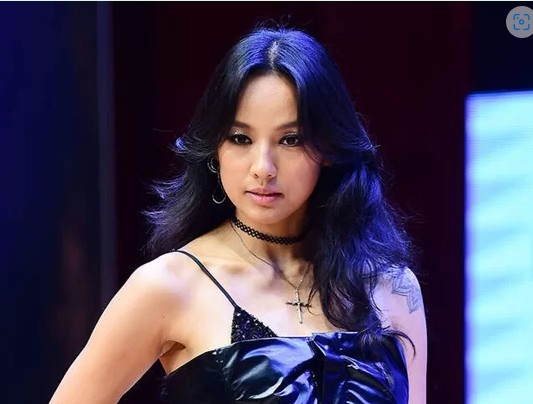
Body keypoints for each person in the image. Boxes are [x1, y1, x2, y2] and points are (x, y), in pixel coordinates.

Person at [50, 25, 427, 403]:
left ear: (328, 148)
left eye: (290, 139)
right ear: (215, 149)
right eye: (241, 139)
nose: (263, 167)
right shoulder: (170, 286)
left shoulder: (392, 286)